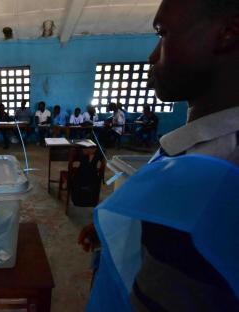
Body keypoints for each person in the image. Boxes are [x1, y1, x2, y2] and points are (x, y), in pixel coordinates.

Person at [80, 0, 239, 311]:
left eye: (163, 33)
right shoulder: (196, 147)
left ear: (228, 32)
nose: (152, 56)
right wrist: (128, 227)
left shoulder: (224, 169)